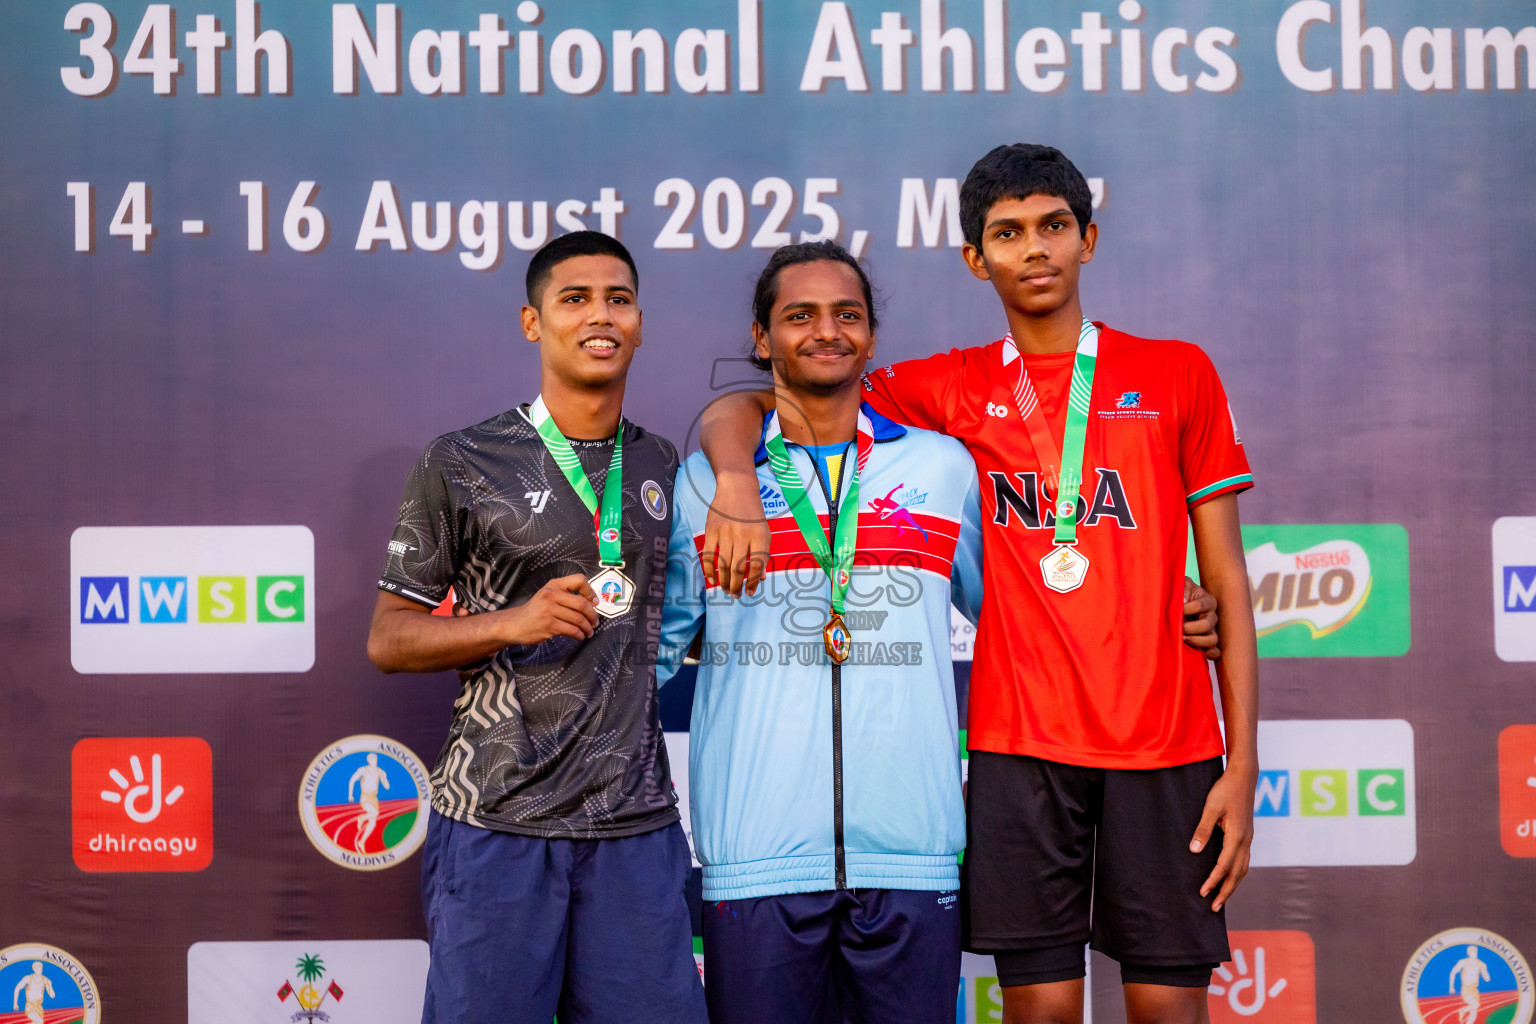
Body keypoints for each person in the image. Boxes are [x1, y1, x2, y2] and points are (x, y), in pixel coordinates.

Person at [700, 144, 1258, 1024]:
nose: (1034, 248)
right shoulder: (942, 387)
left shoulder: (1176, 371)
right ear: (974, 257)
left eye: (1053, 227)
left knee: (1167, 1009)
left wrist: (1244, 762)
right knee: (1039, 1012)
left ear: (1088, 240)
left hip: (1167, 741)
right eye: (1008, 233)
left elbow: (1226, 577)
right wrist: (736, 478)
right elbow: (766, 401)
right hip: (1018, 746)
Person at [366, 231, 706, 1024]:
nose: (601, 316)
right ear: (533, 322)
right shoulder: (462, 460)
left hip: (634, 826)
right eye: (575, 299)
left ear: (641, 322)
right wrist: (513, 622)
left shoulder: (664, 464)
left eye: (619, 299)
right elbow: (389, 638)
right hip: (497, 821)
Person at [659, 240, 985, 1024]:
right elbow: (650, 651)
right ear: (761, 337)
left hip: (912, 855)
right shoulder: (707, 481)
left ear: (871, 337)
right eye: (799, 315)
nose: (826, 331)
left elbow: (1021, 620)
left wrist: (1157, 605)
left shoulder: (942, 469)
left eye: (847, 315)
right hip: (756, 858)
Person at [348, 752, 389, 853]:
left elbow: (387, 787)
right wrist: (350, 795)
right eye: (371, 759)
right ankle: (361, 818)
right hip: (365, 797)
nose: (373, 761)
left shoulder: (380, 771)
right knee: (375, 813)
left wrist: (384, 777)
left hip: (374, 799)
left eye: (375, 759)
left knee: (373, 823)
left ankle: (361, 842)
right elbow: (352, 780)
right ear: (368, 760)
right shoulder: (363, 770)